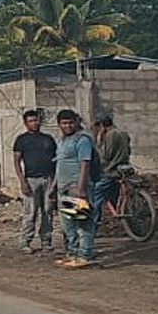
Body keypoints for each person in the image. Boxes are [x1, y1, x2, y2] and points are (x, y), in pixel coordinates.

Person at [54, 109, 99, 268]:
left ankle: (85, 255)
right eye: (64, 123)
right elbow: (59, 165)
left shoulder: (82, 140)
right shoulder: (62, 141)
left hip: (77, 188)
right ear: (59, 124)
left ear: (76, 122)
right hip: (64, 189)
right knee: (68, 224)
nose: (68, 126)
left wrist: (81, 190)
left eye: (71, 122)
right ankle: (72, 253)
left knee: (83, 223)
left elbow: (84, 164)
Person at [12, 109, 58, 254]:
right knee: (30, 212)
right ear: (26, 124)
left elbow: (56, 160)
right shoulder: (21, 140)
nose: (34, 123)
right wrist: (22, 182)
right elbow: (17, 162)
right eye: (31, 121)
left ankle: (46, 241)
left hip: (48, 179)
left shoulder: (48, 139)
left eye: (36, 120)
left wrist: (55, 183)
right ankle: (25, 241)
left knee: (48, 211)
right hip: (31, 180)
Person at [93, 112, 132, 213]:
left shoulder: (110, 135)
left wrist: (99, 143)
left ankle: (94, 222)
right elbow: (129, 151)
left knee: (96, 193)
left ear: (102, 125)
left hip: (112, 171)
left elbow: (106, 156)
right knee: (113, 194)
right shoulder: (123, 133)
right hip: (123, 169)